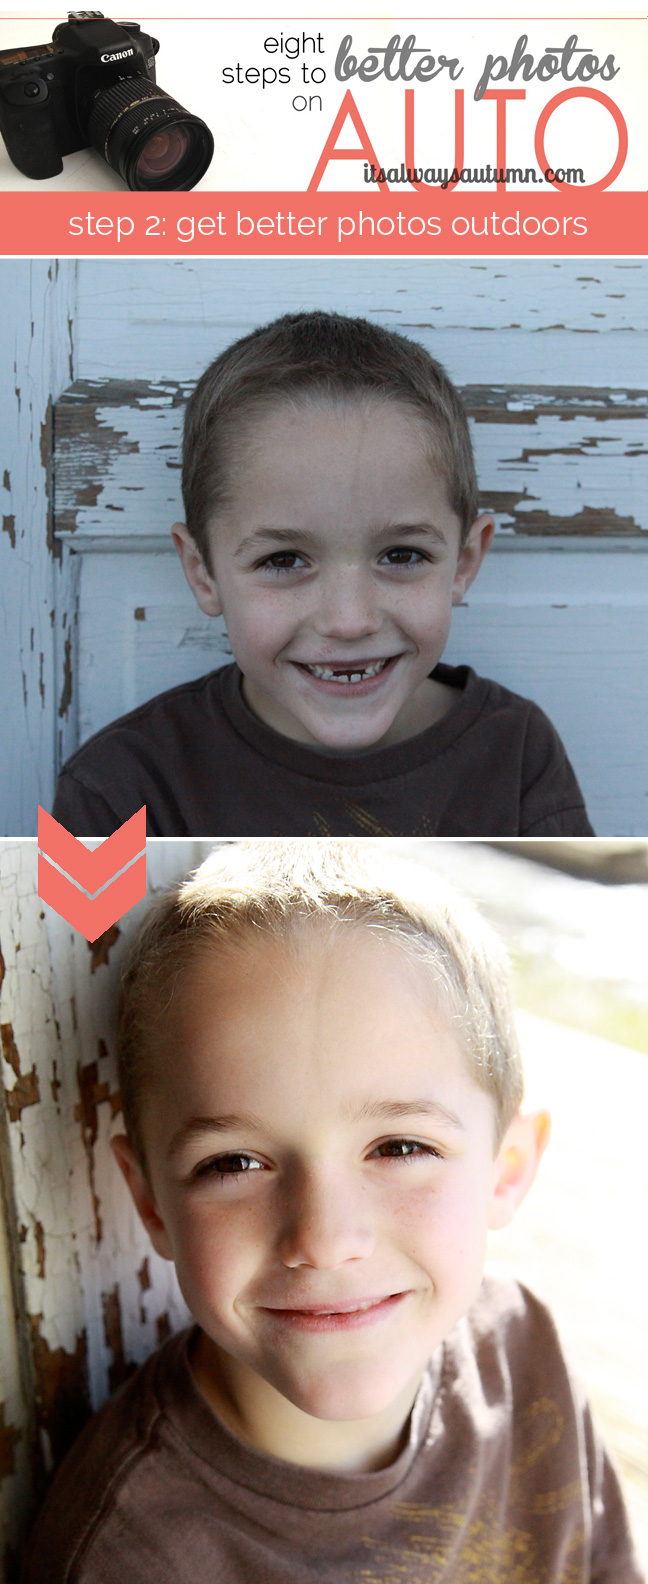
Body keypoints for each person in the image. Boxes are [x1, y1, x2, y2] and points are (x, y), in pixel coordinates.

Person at [25, 839, 641, 1582]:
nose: (323, 1239)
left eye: (400, 1147)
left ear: (506, 1169)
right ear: (150, 1199)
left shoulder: (524, 1352)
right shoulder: (131, 1555)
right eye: (235, 1163)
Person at [51, 312, 594, 836]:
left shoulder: (518, 754)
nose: (350, 620)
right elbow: (70, 933)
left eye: (402, 555)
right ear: (204, 573)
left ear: (465, 562)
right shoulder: (115, 791)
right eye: (283, 560)